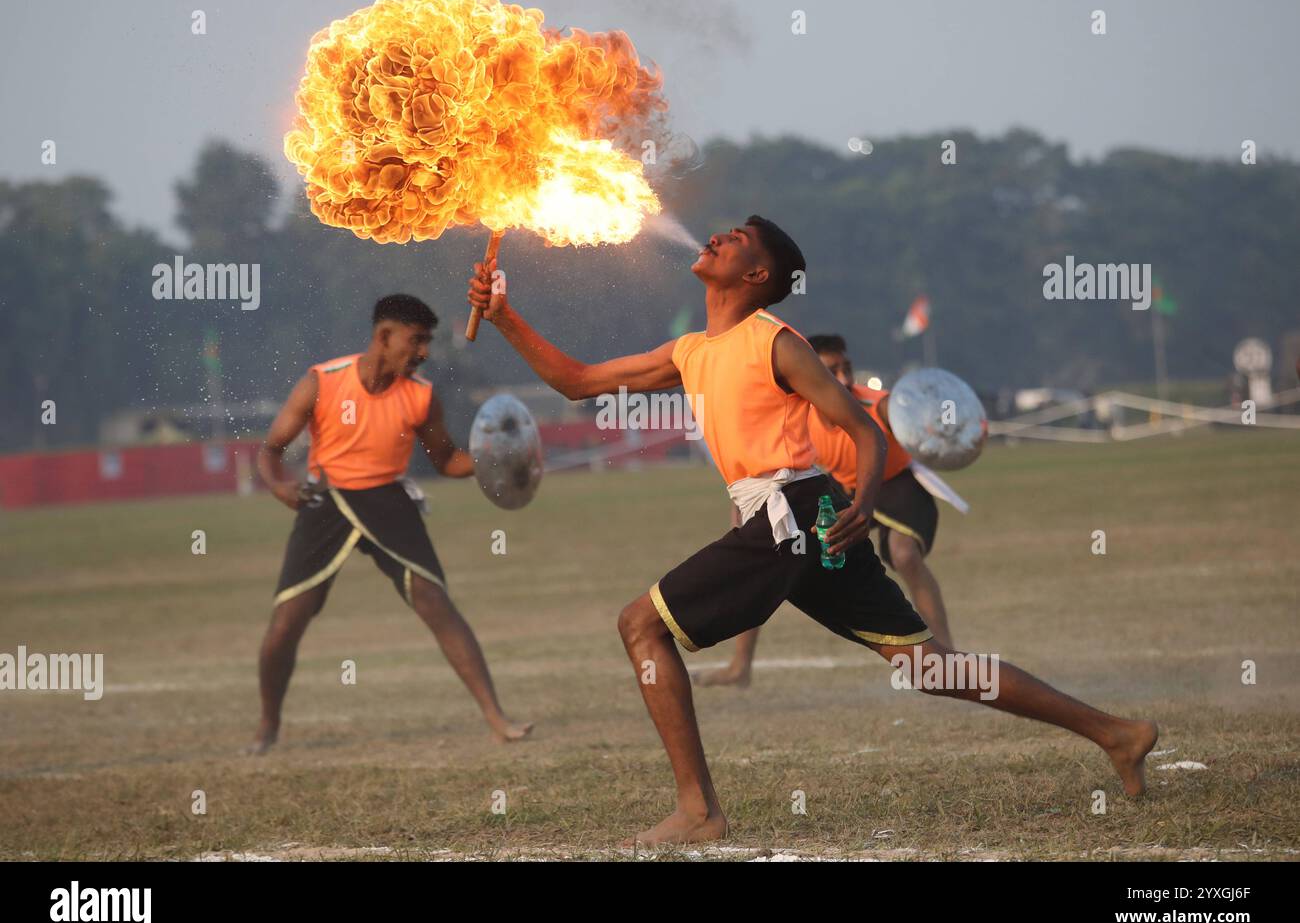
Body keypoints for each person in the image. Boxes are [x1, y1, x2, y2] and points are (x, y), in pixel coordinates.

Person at [467, 217, 1157, 845]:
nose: (716, 236)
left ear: (756, 277)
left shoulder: (778, 343)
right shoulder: (689, 350)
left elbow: (862, 430)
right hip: (798, 516)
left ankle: (698, 811)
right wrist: (503, 315)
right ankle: (1116, 732)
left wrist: (861, 495)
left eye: (735, 238)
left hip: (790, 512)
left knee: (640, 625)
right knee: (930, 664)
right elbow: (578, 382)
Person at [249, 293, 532, 753]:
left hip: (388, 499)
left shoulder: (420, 395)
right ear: (384, 336)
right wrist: (279, 486)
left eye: (427, 343)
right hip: (328, 500)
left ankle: (496, 719)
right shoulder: (323, 382)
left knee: (437, 605)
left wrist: (491, 460)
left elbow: (446, 460)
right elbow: (270, 450)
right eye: (415, 341)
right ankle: (267, 727)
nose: (423, 353)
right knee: (287, 622)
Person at [698, 332, 951, 689]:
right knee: (768, 563)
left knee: (904, 554)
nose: (845, 379)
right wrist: (742, 514)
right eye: (833, 370)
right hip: (842, 490)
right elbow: (765, 468)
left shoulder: (875, 404)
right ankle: (740, 667)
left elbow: (908, 416)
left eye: (847, 368)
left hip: (894, 483)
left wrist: (933, 427)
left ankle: (945, 657)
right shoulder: (798, 417)